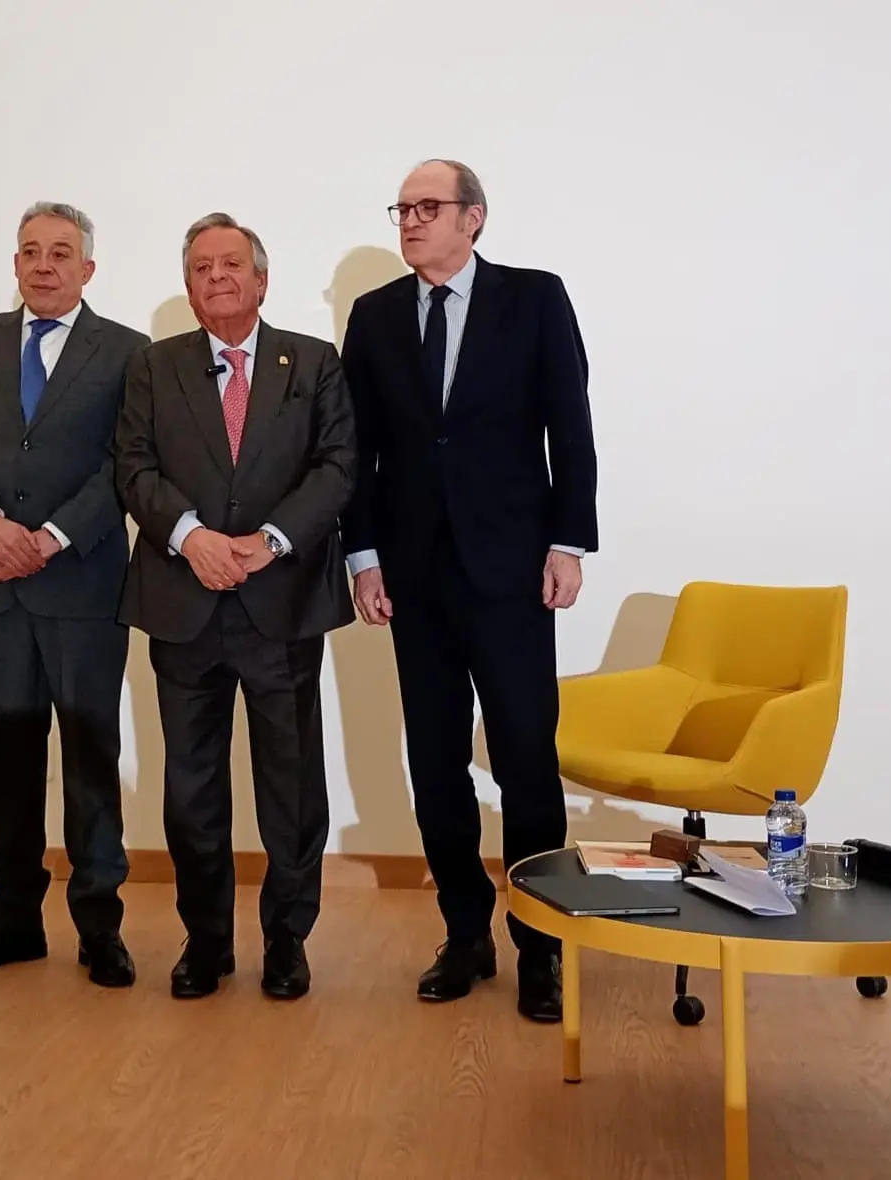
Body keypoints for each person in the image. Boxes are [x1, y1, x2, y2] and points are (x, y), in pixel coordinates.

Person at [338, 160, 598, 1022]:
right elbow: (359, 452)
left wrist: (568, 542)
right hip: (413, 577)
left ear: (473, 218)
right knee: (435, 764)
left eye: (427, 207)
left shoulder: (533, 298)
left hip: (513, 570)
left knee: (526, 759)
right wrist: (362, 555)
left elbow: (571, 424)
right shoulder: (374, 316)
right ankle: (464, 933)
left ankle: (539, 947)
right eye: (401, 208)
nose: (410, 221)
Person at [115, 212, 357, 1001]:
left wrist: (270, 540)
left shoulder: (312, 363)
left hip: (280, 606)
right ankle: (206, 941)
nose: (214, 277)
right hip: (183, 604)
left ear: (260, 279)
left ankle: (286, 939)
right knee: (190, 789)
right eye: (198, 269)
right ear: (186, 288)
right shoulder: (154, 367)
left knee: (289, 788)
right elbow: (134, 468)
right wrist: (191, 537)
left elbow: (336, 465)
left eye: (229, 265)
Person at [0, 201, 150, 988]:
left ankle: (100, 928)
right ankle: (12, 922)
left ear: (88, 268)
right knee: (9, 766)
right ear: (14, 264)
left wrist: (48, 538)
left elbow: (127, 463)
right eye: (30, 252)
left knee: (91, 762)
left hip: (82, 587)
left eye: (60, 253)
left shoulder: (127, 352)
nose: (43, 265)